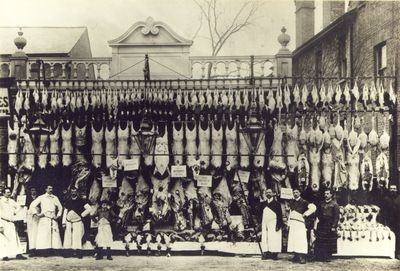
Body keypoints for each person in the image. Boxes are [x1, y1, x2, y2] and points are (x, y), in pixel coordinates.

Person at [30, 185, 63, 256]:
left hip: (53, 217)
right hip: (44, 217)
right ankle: (44, 251)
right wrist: (37, 214)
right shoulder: (41, 197)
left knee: (55, 234)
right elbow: (32, 205)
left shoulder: (55, 197)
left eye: (52, 188)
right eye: (49, 188)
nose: (50, 190)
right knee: (44, 234)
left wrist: (58, 216)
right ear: (46, 189)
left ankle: (55, 250)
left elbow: (60, 208)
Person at [287, 187, 316, 264]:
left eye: (297, 192)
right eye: (294, 192)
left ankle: (302, 257)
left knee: (300, 240)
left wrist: (305, 214)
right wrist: (288, 224)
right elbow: (290, 212)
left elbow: (313, 208)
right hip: (293, 223)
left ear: (300, 193)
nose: (295, 194)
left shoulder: (304, 202)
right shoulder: (291, 202)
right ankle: (296, 256)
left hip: (299, 223)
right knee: (293, 240)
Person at [62, 187, 91, 258]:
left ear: (77, 192)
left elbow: (89, 209)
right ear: (70, 192)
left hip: (77, 222)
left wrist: (82, 215)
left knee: (77, 237)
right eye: (72, 192)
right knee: (68, 237)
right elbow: (65, 212)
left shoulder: (81, 200)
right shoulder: (68, 200)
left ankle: (78, 252)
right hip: (68, 221)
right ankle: (67, 252)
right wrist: (64, 222)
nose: (73, 193)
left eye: (74, 191)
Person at [0, 187, 27, 260]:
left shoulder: (12, 201)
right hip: (3, 222)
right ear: (3, 193)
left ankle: (18, 254)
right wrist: (0, 226)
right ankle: (5, 255)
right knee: (4, 239)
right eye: (7, 192)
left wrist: (15, 212)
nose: (9, 194)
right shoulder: (1, 202)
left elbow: (18, 207)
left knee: (15, 238)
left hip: (11, 222)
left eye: (9, 192)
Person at [314, 189, 339, 262]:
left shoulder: (334, 204)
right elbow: (317, 213)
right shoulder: (321, 203)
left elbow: (336, 217)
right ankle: (319, 256)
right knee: (320, 240)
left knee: (328, 241)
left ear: (331, 195)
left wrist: (334, 226)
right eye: (325, 193)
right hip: (321, 224)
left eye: (328, 193)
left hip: (329, 224)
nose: (326, 195)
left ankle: (327, 256)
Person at [261, 188, 283, 260]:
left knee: (274, 237)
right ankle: (266, 253)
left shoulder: (277, 203)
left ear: (273, 193)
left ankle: (274, 254)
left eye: (270, 192)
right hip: (265, 222)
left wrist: (278, 224)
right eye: (267, 193)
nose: (268, 194)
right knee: (265, 237)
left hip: (273, 222)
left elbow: (280, 215)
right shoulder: (264, 203)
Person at [26, 186, 40, 256]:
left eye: (34, 190)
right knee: (31, 233)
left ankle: (37, 249)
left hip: (37, 217)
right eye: (32, 190)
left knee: (37, 232)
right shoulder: (27, 198)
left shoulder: (39, 198)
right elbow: (26, 209)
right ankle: (31, 249)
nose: (33, 191)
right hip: (30, 217)